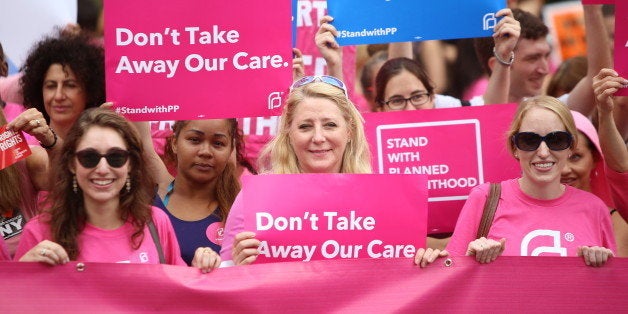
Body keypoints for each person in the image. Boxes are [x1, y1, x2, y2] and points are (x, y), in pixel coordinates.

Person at [414, 95, 616, 267]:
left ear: (570, 147)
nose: (543, 152)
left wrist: (601, 268)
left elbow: (611, 295)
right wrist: (467, 259)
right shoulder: (484, 197)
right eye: (529, 141)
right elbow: (450, 278)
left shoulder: (595, 209)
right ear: (514, 148)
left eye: (556, 140)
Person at [14, 108, 219, 272]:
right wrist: (22, 275)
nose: (103, 169)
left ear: (130, 164)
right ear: (71, 164)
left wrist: (200, 272)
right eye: (89, 157)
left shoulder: (155, 222)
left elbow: (178, 296)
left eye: (116, 157)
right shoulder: (39, 232)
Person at [220, 76, 372, 265]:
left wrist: (418, 262)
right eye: (305, 127)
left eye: (330, 125)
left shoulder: (375, 197)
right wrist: (236, 266)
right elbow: (224, 277)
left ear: (349, 131)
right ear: (289, 133)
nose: (318, 137)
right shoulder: (255, 198)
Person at [136, 118, 241, 265]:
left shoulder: (241, 211)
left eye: (218, 143)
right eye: (195, 140)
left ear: (230, 150)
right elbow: (142, 142)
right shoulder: (155, 196)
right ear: (174, 143)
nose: (205, 152)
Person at [373, 8, 520, 111]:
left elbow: (489, 112)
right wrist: (401, 16)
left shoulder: (443, 108)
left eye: (418, 97)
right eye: (396, 101)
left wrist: (504, 54)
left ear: (433, 97)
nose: (410, 109)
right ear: (380, 108)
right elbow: (397, 73)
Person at [9, 30, 105, 149]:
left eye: (70, 85)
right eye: (51, 86)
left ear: (90, 91)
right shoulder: (25, 148)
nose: (59, 96)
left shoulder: (103, 148)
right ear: (39, 91)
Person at [563, 110, 628, 257]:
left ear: (594, 158)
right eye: (556, 157)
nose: (564, 169)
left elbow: (618, 278)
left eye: (575, 157)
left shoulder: (618, 221)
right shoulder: (525, 216)